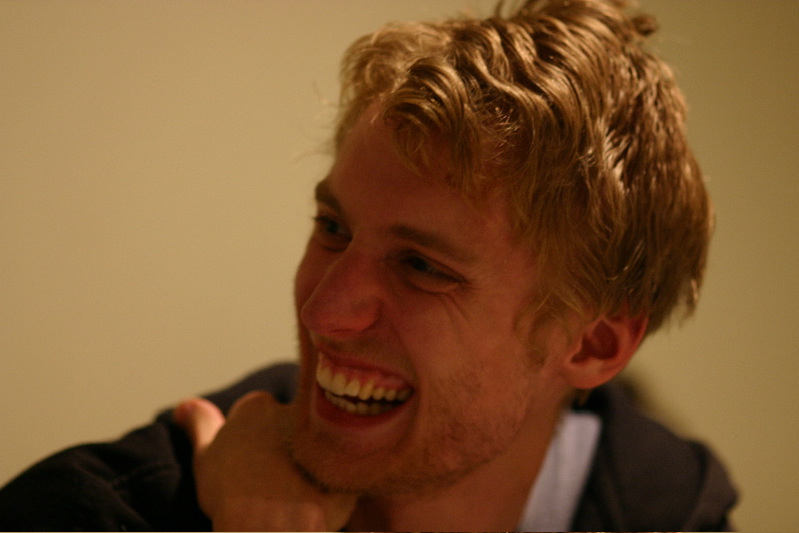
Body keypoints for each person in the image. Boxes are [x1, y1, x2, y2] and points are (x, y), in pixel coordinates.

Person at [0, 0, 737, 530]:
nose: (324, 311)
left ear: (594, 344)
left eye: (422, 266)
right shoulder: (86, 512)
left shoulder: (675, 513)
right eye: (332, 227)